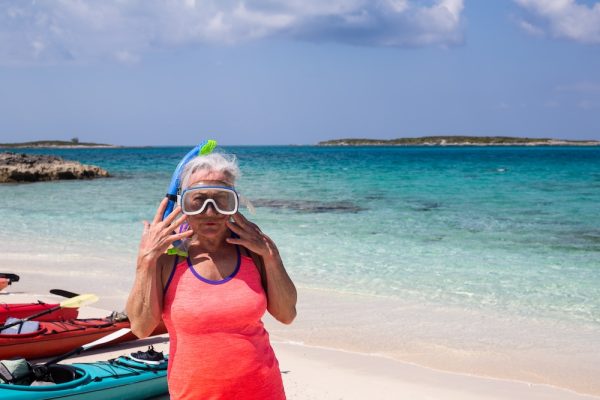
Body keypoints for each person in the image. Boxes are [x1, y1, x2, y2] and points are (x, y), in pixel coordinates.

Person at [126, 152, 297, 400]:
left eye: (221, 200)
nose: (210, 211)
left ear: (234, 203)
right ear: (182, 204)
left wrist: (271, 256)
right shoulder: (167, 259)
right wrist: (145, 261)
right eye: (198, 200)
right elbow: (141, 327)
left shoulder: (255, 251)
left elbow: (287, 314)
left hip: (264, 391)